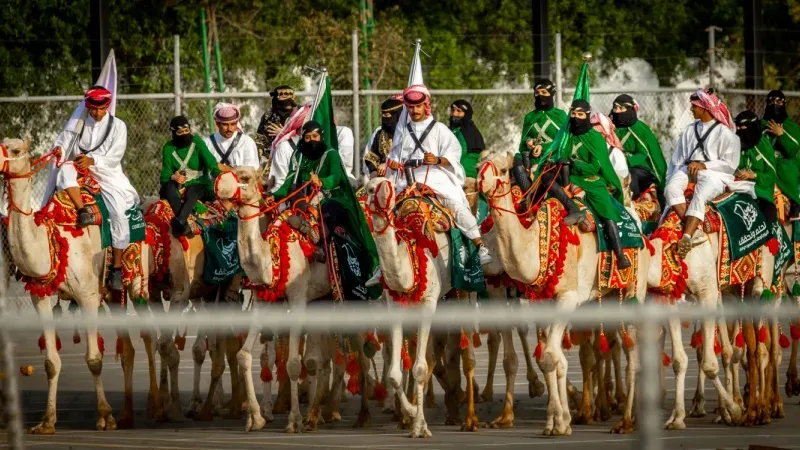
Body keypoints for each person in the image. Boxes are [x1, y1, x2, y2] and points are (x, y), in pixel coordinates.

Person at [366, 84, 491, 288]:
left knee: (456, 204)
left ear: (426, 106)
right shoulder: (402, 131)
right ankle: (383, 266)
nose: (414, 111)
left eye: (418, 106)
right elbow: (395, 156)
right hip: (406, 179)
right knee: (386, 214)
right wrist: (393, 163)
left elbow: (454, 155)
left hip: (435, 177)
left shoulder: (440, 129)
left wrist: (438, 160)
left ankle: (479, 246)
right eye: (410, 107)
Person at [47, 86, 140, 290]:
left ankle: (116, 268)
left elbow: (115, 156)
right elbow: (63, 143)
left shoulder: (118, 126)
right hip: (79, 170)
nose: (97, 113)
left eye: (101, 109)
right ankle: (82, 210)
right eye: (94, 109)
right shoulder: (77, 124)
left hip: (107, 174)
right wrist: (59, 151)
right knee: (63, 172)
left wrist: (92, 160)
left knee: (117, 211)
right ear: (88, 106)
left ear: (107, 106)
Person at [273, 121, 379, 280]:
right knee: (284, 214)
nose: (312, 140)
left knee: (327, 210)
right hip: (304, 198)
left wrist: (322, 181)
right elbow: (289, 180)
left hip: (331, 195)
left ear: (321, 136)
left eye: (315, 136)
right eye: (307, 137)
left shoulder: (331, 154)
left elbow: (336, 177)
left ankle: (320, 244)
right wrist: (273, 196)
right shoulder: (299, 155)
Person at [664, 89, 740, 258]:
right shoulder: (689, 130)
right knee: (670, 190)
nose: (691, 110)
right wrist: (673, 178)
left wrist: (704, 165)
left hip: (715, 173)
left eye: (694, 106)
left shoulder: (725, 133)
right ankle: (694, 228)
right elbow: (677, 159)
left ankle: (687, 236)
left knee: (701, 194)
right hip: (689, 169)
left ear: (704, 108)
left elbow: (730, 165)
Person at [566, 100, 630, 269]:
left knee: (606, 212)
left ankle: (620, 255)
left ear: (586, 115)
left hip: (592, 180)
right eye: (573, 113)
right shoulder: (566, 135)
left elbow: (595, 167)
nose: (576, 117)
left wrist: (574, 164)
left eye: (580, 114)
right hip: (570, 179)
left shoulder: (595, 138)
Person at [159, 115, 223, 237]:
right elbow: (164, 175)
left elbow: (211, 163)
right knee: (167, 188)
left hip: (200, 184)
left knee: (193, 191)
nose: (184, 134)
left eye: (186, 131)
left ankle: (180, 221)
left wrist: (221, 177)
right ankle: (184, 226)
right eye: (180, 132)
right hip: (180, 186)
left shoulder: (197, 142)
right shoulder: (168, 148)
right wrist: (174, 177)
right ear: (173, 133)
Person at [610, 94, 668, 201]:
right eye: (615, 108)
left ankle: (628, 200)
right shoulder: (610, 127)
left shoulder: (639, 128)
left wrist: (625, 160)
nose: (617, 111)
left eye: (621, 108)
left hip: (640, 168)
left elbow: (643, 154)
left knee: (631, 175)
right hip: (614, 165)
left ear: (630, 109)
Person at [762, 90, 800, 221]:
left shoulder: (791, 126)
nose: (774, 105)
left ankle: (795, 203)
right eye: (771, 102)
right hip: (766, 161)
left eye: (778, 102)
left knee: (784, 168)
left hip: (787, 162)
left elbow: (792, 151)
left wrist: (781, 134)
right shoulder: (762, 125)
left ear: (783, 104)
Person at [735, 110, 778, 224]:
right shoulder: (735, 143)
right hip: (737, 189)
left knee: (767, 218)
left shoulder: (762, 145)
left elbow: (771, 176)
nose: (739, 131)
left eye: (742, 128)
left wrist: (753, 175)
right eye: (737, 128)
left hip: (760, 192)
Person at [203, 103, 260, 170]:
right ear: (218, 124)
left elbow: (251, 171)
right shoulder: (206, 143)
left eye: (233, 124)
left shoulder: (247, 142)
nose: (229, 129)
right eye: (225, 125)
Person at [363, 95, 403, 179]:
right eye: (383, 116)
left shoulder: (408, 134)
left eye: (388, 116)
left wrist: (387, 165)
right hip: (382, 178)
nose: (386, 121)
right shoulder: (380, 133)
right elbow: (372, 156)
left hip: (403, 178)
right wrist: (373, 171)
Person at [256, 85, 298, 155]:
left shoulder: (299, 114)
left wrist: (283, 134)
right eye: (284, 97)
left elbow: (304, 136)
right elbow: (260, 139)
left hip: (294, 154)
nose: (289, 100)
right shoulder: (269, 115)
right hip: (271, 156)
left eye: (291, 97)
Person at [449, 99, 485, 179]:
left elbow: (461, 152)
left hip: (464, 173)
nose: (454, 114)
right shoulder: (455, 129)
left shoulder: (465, 131)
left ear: (466, 114)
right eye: (453, 110)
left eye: (459, 111)